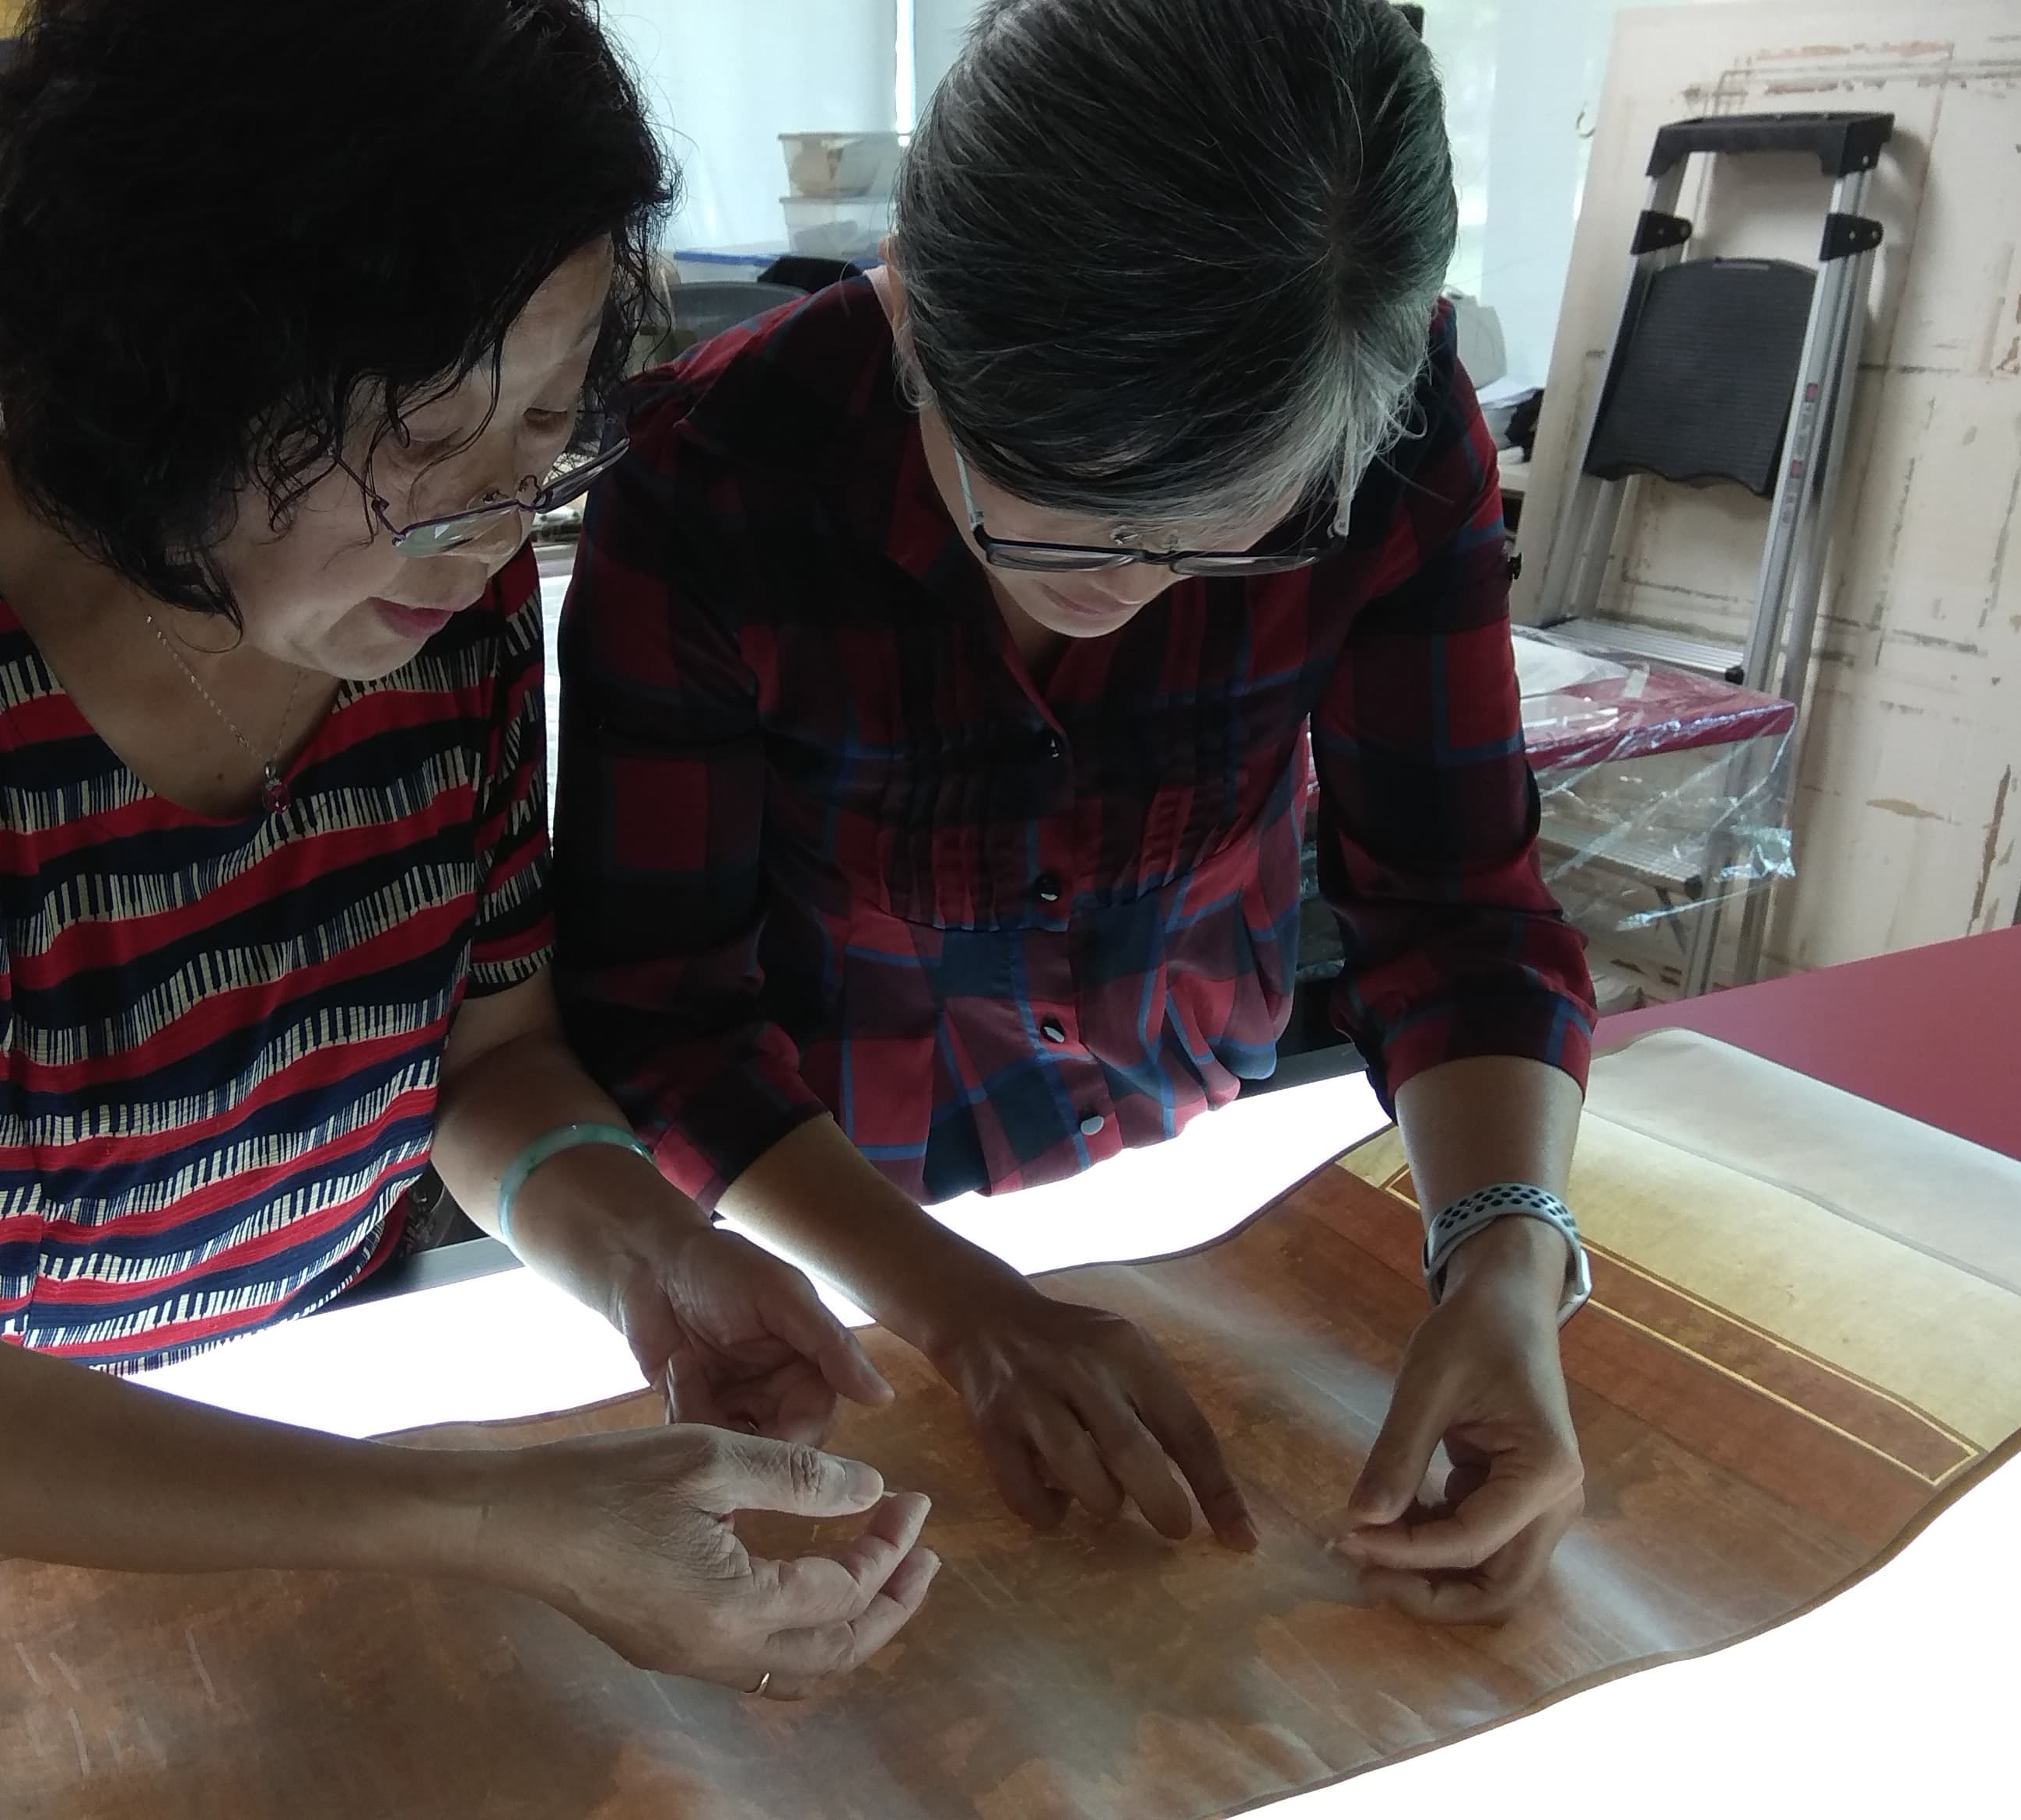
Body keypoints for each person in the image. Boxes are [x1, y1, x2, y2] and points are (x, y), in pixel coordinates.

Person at [0, 0, 934, 1699]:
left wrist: (654, 1256)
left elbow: (485, 1057)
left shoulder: (443, 594)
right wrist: (497, 1515)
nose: (497, 526)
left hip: (317, 1401)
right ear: (162, 363)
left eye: (542, 436)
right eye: (423, 450)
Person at [556, 0, 1597, 1624]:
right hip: (840, 1177)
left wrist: (1509, 1254)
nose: (1141, 592)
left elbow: (1455, 904)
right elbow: (661, 1015)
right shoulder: (716, 482)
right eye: (1070, 534)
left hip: (1191, 1118)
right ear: (911, 319)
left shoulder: (1391, 441)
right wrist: (958, 1312)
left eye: (1222, 548)